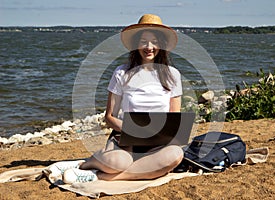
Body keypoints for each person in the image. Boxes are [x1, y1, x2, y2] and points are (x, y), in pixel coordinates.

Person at [59, 14, 184, 183]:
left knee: (176, 155)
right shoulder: (122, 73)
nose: (149, 47)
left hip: (157, 143)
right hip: (125, 139)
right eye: (143, 41)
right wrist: (132, 130)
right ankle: (86, 164)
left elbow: (173, 120)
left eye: (154, 41)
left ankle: (99, 176)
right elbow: (109, 117)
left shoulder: (172, 75)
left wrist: (160, 135)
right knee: (118, 161)